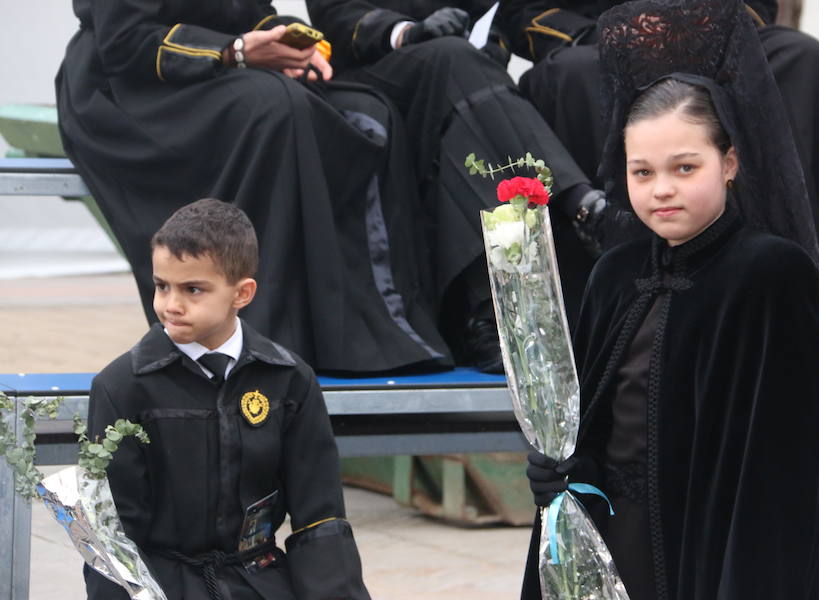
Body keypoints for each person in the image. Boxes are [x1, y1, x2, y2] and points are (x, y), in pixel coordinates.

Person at [521, 1, 819, 598]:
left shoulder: (772, 275)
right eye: (642, 172)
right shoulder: (616, 273)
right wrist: (560, 473)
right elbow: (597, 425)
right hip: (616, 548)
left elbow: (788, 474)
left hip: (719, 558)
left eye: (685, 167)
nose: (661, 189)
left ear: (730, 161)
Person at [57, 0, 452, 375]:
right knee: (274, 108)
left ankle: (375, 333)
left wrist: (287, 45)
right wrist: (234, 51)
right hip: (126, 93)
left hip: (220, 76)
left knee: (370, 115)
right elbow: (126, 43)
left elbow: (252, 15)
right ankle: (255, 340)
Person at [498, 0, 819, 356]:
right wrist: (619, 34)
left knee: (800, 55)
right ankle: (616, 318)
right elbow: (524, 14)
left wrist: (698, 26)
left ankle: (805, 304)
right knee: (570, 74)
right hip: (598, 46)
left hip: (711, 32)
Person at [84, 199, 371, 600]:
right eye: (161, 285)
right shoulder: (121, 386)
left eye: (193, 289)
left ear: (243, 293)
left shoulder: (288, 380)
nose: (171, 305)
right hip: (163, 586)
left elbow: (319, 517)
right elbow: (111, 534)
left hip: (259, 580)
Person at [305, 0, 610, 369]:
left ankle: (488, 316)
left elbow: (497, 15)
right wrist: (405, 31)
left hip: (460, 66)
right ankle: (579, 203)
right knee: (462, 72)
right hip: (372, 68)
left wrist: (490, 43)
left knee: (471, 104)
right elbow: (336, 14)